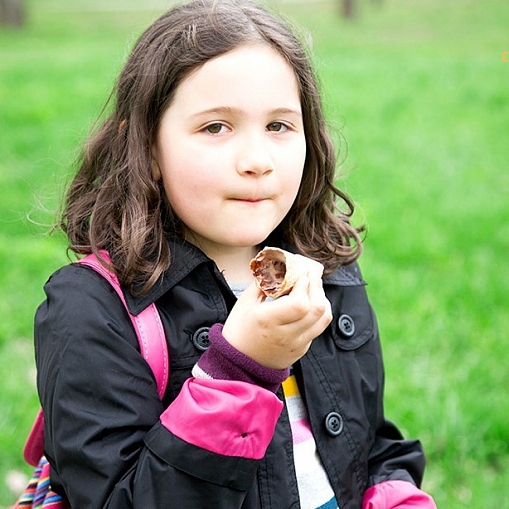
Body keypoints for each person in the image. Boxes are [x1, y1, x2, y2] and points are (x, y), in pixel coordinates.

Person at [34, 0, 436, 507]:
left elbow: (368, 441)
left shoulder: (326, 271)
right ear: (147, 149)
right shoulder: (93, 309)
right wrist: (240, 367)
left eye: (279, 126)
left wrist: (396, 496)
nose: (256, 161)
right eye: (215, 127)